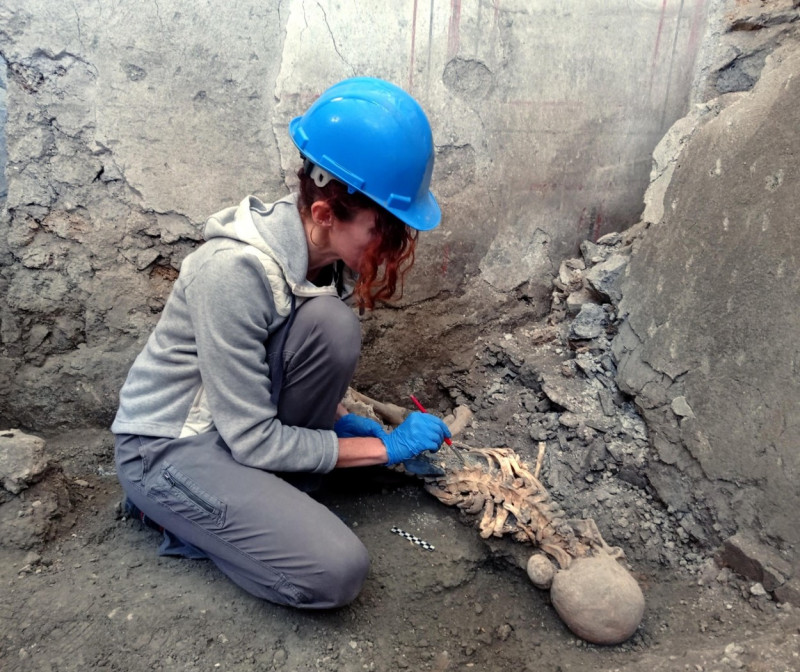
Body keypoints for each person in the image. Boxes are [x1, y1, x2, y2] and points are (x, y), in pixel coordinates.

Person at [111, 77, 451, 609]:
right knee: (336, 571)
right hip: (171, 448)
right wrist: (384, 448)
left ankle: (258, 501)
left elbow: (278, 365)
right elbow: (254, 440)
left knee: (333, 326)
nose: (390, 248)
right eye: (380, 229)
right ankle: (167, 511)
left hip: (236, 428)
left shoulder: (322, 266)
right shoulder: (233, 273)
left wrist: (336, 422)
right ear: (323, 215)